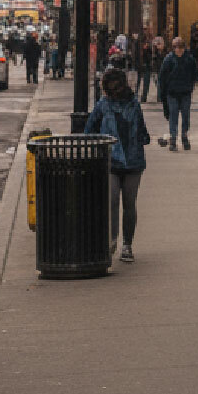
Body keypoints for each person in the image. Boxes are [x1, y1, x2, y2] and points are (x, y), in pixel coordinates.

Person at [84, 66, 150, 263]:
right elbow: (89, 129)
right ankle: (113, 242)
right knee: (113, 201)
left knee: (127, 203)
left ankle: (126, 244)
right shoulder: (104, 104)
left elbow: (142, 132)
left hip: (131, 161)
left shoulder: (131, 105)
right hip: (115, 160)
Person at [157, 35, 198, 151]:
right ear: (173, 48)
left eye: (181, 48)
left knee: (185, 116)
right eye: (176, 48)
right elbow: (162, 77)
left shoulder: (189, 59)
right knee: (173, 116)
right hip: (172, 93)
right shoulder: (169, 59)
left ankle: (184, 137)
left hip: (185, 92)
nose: (179, 50)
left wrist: (191, 85)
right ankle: (173, 139)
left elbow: (195, 74)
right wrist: (163, 92)